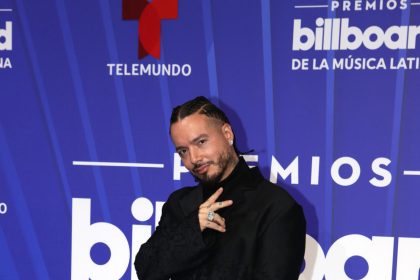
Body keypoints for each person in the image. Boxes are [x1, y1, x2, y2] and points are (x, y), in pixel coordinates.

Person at [134, 96, 306, 279]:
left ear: (227, 134)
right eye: (183, 151)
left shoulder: (276, 207)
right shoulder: (180, 204)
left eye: (201, 142)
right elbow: (146, 268)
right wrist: (193, 228)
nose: (194, 158)